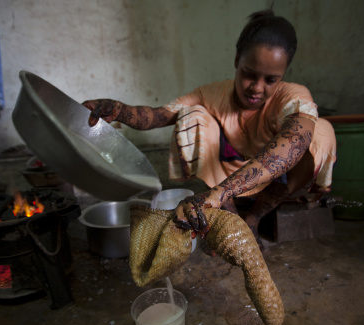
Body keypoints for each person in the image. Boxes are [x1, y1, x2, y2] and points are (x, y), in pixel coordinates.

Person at [82, 9, 336, 251]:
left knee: (320, 131)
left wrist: (217, 193)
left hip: (271, 178)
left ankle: (253, 219)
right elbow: (158, 116)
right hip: (228, 169)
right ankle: (232, 221)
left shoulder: (293, 97)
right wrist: (118, 109)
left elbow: (294, 140)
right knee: (193, 115)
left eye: (271, 80)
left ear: (283, 74)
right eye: (249, 74)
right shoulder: (213, 93)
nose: (257, 88)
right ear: (237, 60)